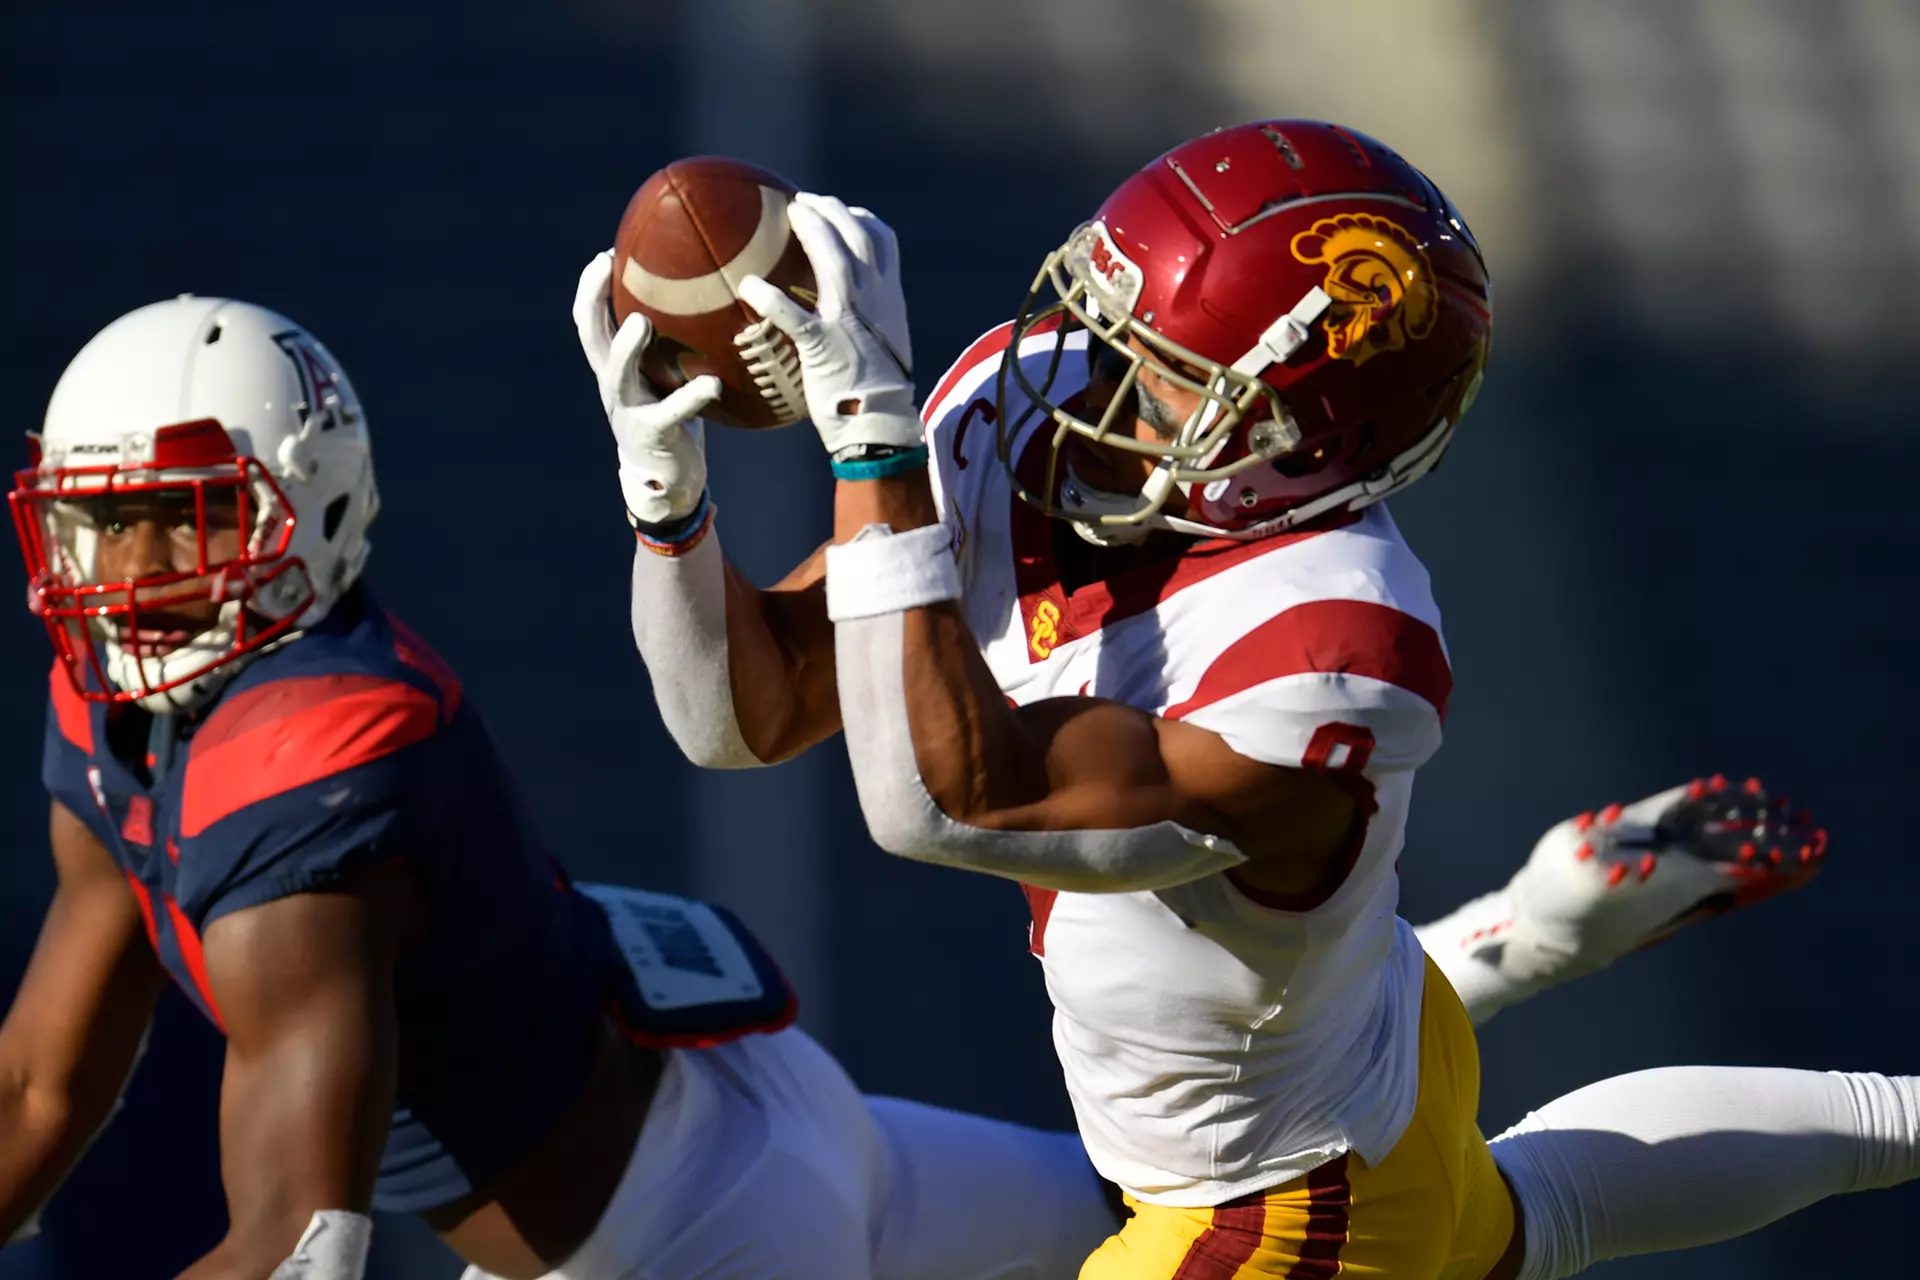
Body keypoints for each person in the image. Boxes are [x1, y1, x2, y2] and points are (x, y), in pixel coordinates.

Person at [602, 122, 1918, 1279]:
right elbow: (750, 715)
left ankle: (1547, 945)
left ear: (1306, 439)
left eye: (1169, 367)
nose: (1098, 380)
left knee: (1525, 1225)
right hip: (1354, 1050)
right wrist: (668, 502)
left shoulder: (1330, 644)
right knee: (1536, 1221)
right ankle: (1549, 943)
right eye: (1106, 318)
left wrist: (874, 444)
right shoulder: (1026, 403)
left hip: (1274, 1205)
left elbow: (942, 800)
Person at [0, 296, 1121, 1280]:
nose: (133, 570)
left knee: (1194, 1224)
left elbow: (298, 1251)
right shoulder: (124, 715)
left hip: (689, 1237)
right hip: (745, 1117)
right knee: (1147, 1225)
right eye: (103, 522)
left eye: (184, 518)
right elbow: (36, 1087)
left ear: (309, 504)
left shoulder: (309, 760)